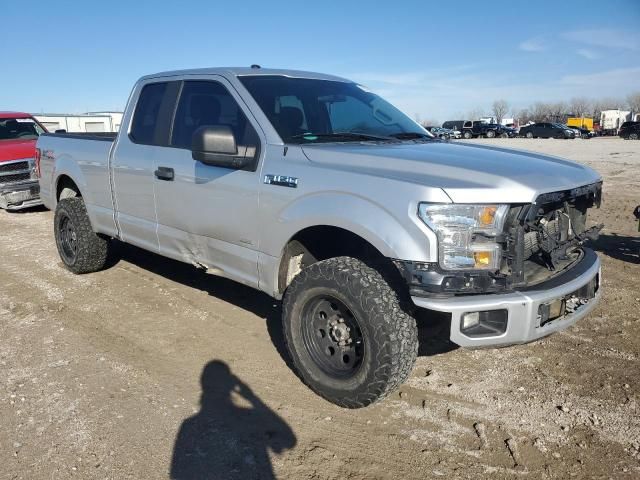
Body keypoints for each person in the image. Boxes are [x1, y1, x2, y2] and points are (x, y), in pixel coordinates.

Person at [170, 361, 296, 480]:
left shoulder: (188, 425)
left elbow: (175, 473)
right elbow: (290, 441)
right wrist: (252, 398)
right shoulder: (249, 416)